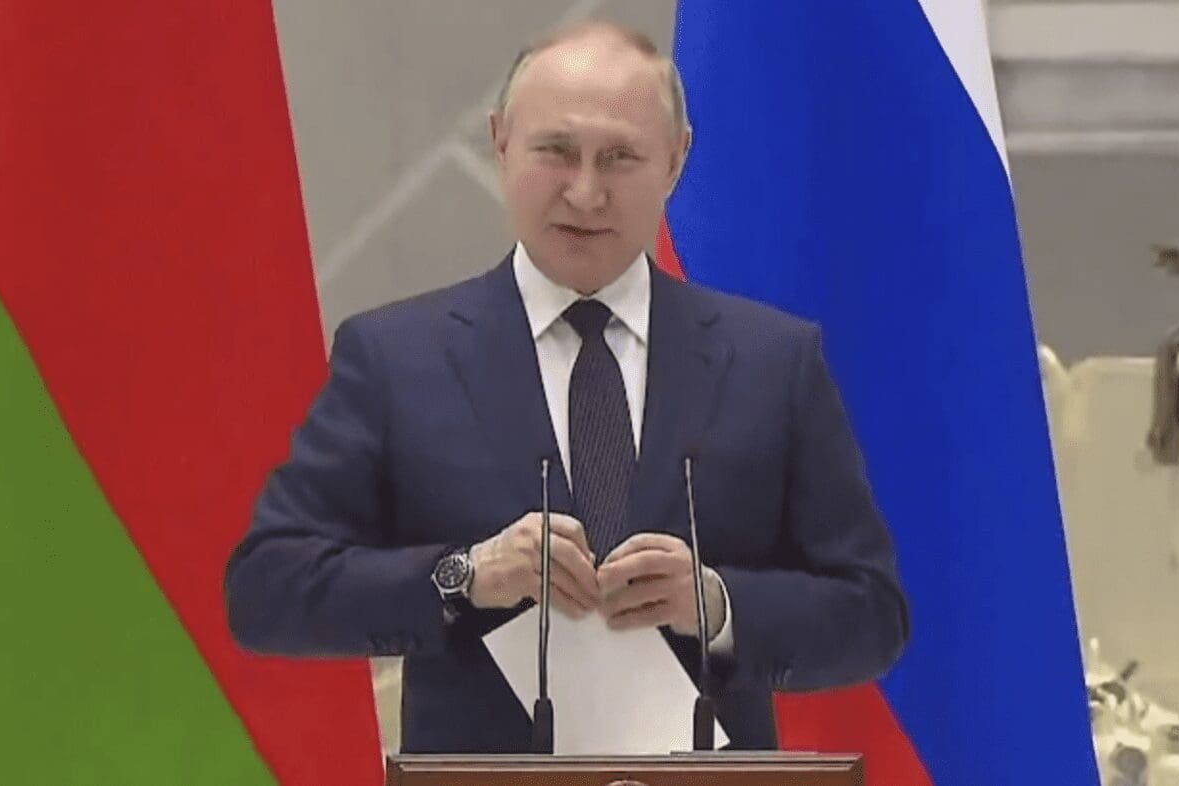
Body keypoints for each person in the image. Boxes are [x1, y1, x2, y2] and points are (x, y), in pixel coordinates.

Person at [224, 19, 908, 754]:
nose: (585, 194)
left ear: (676, 160)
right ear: (500, 142)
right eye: (555, 151)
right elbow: (268, 589)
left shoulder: (772, 362)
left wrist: (716, 605)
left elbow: (872, 614)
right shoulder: (395, 358)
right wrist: (465, 577)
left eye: (619, 158)